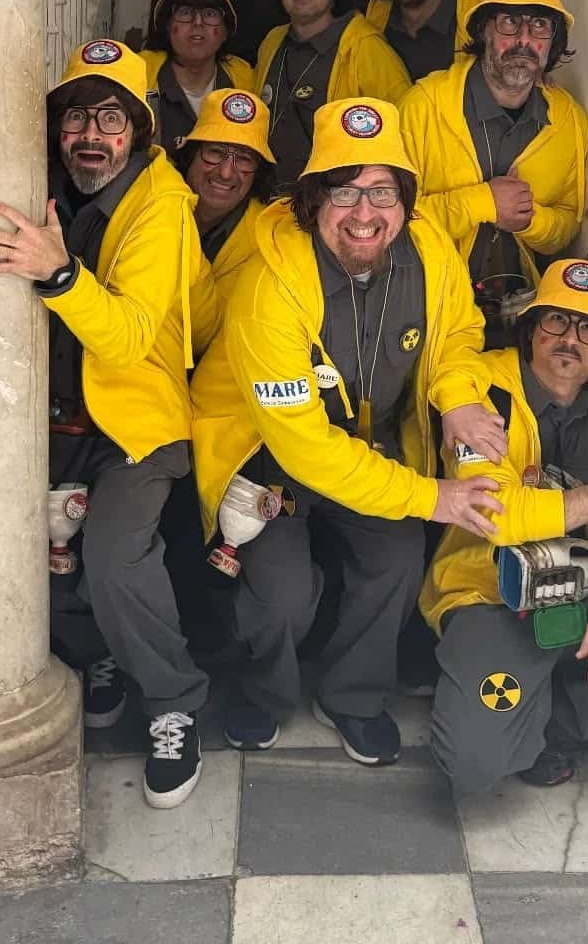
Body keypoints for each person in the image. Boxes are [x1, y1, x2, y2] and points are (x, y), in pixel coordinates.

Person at [189, 97, 508, 766]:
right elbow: (302, 445)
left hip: (372, 446)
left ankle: (353, 697)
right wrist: (431, 496)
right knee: (282, 593)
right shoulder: (269, 287)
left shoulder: (429, 248)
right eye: (344, 191)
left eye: (383, 191)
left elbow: (457, 332)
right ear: (312, 202)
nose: (365, 212)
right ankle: (264, 694)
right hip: (269, 457)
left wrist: (456, 397)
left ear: (407, 203)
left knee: (396, 558)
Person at [0, 39, 207, 811]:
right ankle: (97, 653)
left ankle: (173, 704)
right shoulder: (44, 186)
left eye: (110, 118)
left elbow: (130, 336)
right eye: (76, 117)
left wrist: (61, 273)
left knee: (111, 557)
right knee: (43, 547)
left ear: (139, 130)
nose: (90, 135)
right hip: (53, 416)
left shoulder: (162, 204)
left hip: (137, 422)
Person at [422, 259, 588, 793]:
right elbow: (497, 515)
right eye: (557, 321)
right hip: (491, 598)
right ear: (531, 329)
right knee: (473, 767)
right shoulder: (483, 390)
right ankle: (503, 699)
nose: (570, 339)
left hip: (579, 593)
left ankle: (553, 729)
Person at [400, 0, 588, 330]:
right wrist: (481, 203)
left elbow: (568, 223)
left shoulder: (568, 119)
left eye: (539, 25)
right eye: (509, 22)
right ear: (483, 29)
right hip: (426, 308)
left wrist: (531, 219)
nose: (524, 40)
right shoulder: (422, 107)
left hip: (518, 314)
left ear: (554, 40)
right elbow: (385, 221)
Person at [252, 0, 411, 187]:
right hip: (267, 198)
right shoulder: (272, 42)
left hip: (332, 201)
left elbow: (405, 134)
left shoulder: (366, 48)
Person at [174, 87, 278, 350]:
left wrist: (185, 240)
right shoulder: (155, 197)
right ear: (191, 153)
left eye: (244, 159)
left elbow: (207, 334)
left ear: (258, 172)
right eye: (215, 152)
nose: (226, 173)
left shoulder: (262, 238)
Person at [141, 0, 256, 155]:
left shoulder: (246, 80)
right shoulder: (139, 74)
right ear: (167, 26)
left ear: (225, 31)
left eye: (210, 13)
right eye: (185, 12)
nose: (198, 22)